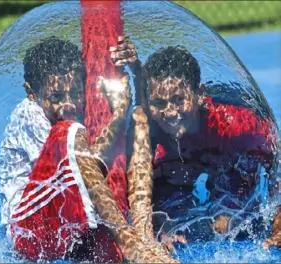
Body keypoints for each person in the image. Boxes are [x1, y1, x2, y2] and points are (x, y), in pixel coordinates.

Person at [0, 36, 175, 263]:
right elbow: (83, 164)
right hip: (30, 232)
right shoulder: (29, 116)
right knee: (68, 130)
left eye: (75, 93)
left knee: (138, 119)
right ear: (31, 92)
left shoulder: (71, 104)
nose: (69, 104)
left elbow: (143, 117)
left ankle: (144, 231)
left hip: (71, 220)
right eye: (57, 97)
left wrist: (135, 70)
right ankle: (129, 239)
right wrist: (118, 115)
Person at [110, 39, 280, 248]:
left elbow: (277, 162)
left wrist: (279, 222)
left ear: (199, 94)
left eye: (179, 99)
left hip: (229, 162)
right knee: (169, 200)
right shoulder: (152, 128)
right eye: (159, 103)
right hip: (186, 163)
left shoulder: (235, 124)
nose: (170, 112)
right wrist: (157, 228)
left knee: (226, 222)